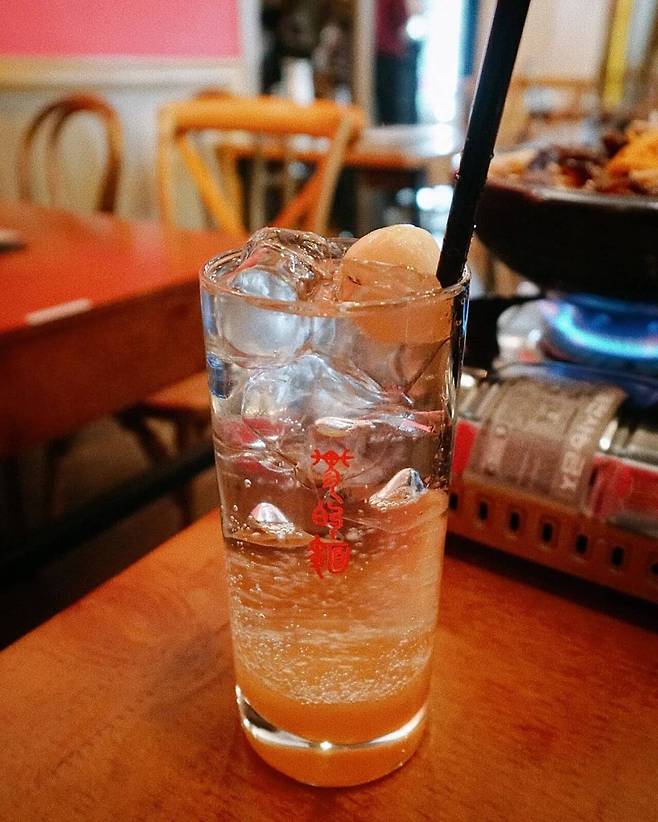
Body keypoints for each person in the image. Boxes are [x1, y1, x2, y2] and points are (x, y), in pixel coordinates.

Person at [375, 0, 410, 124]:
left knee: (382, 101)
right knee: (392, 103)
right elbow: (402, 17)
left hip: (378, 51)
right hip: (390, 52)